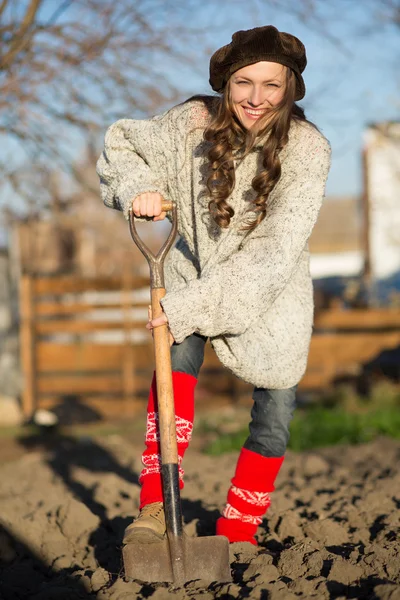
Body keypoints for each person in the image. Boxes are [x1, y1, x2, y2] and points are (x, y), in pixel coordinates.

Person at [96, 25, 331, 546]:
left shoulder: (307, 149)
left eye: (271, 85)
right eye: (244, 82)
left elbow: (272, 253)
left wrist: (195, 306)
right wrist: (142, 189)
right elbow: (123, 146)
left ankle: (239, 529)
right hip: (187, 273)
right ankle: (156, 508)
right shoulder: (192, 123)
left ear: (290, 87)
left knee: (275, 412)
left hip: (270, 292)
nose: (256, 98)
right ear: (226, 82)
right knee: (173, 377)